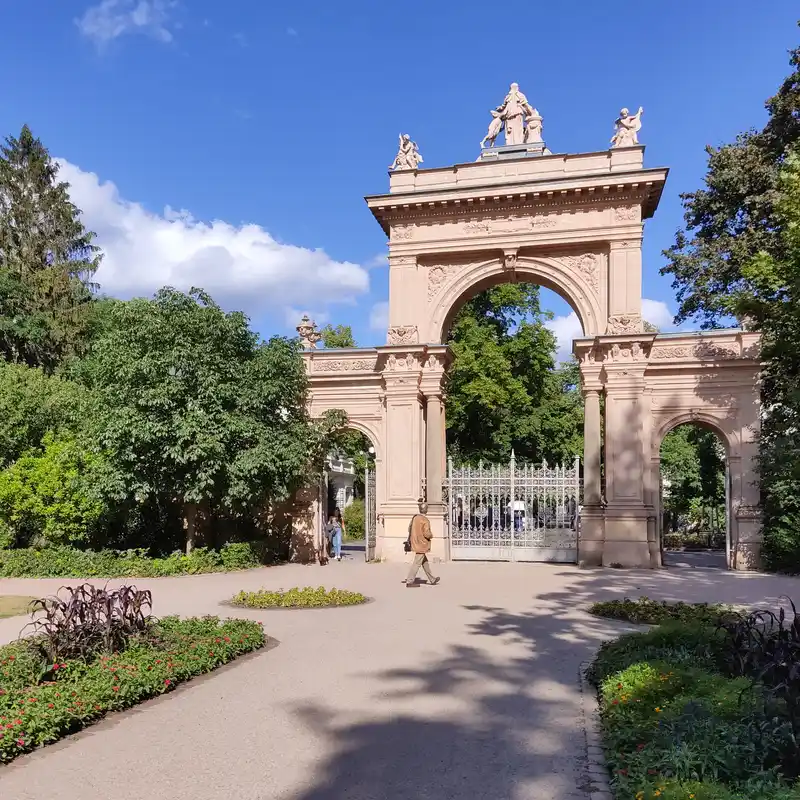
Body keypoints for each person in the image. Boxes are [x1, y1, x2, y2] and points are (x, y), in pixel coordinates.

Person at [404, 499, 440, 588]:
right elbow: (426, 533)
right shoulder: (425, 520)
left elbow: (409, 529)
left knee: (424, 562)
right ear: (426, 510)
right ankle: (410, 581)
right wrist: (431, 535)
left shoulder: (415, 518)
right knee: (417, 563)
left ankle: (432, 579)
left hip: (415, 542)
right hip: (422, 544)